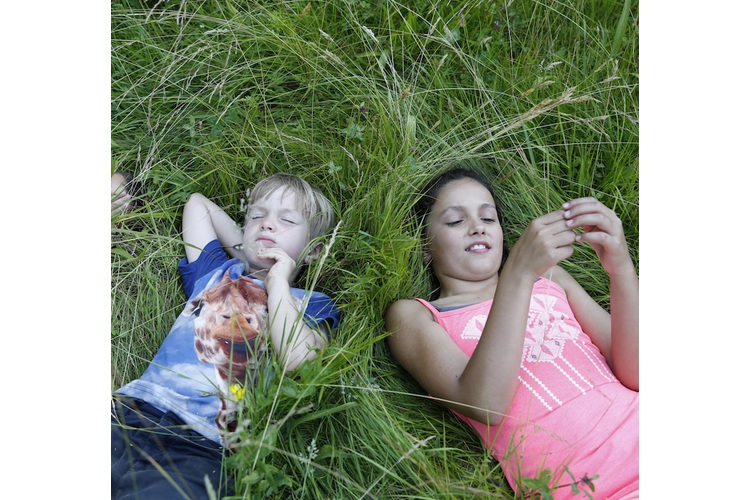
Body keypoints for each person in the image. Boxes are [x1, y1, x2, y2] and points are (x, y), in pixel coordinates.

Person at [384, 167, 638, 499]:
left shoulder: (549, 278)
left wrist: (620, 268)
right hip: (594, 488)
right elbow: (485, 404)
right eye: (455, 221)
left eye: (488, 219)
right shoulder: (415, 315)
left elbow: (637, 373)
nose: (477, 228)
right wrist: (517, 273)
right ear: (424, 247)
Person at [111, 173, 341, 499]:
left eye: (286, 220)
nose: (267, 224)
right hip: (130, 410)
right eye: (257, 216)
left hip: (203, 446)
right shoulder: (217, 272)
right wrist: (248, 248)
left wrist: (278, 282)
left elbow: (297, 359)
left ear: (315, 251)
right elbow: (197, 204)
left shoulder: (312, 306)